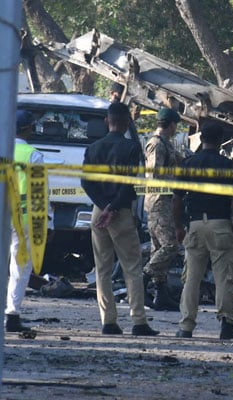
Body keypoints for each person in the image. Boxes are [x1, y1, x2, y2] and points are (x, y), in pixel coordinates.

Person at [81, 102, 159, 336]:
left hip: (98, 212)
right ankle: (138, 321)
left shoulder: (93, 148)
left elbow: (86, 182)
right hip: (121, 212)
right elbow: (130, 183)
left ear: (107, 121)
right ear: (127, 122)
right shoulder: (132, 147)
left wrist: (103, 207)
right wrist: (113, 208)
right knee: (132, 267)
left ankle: (108, 321)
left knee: (102, 268)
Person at [172, 123, 233, 339]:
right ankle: (226, 324)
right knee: (224, 277)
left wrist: (178, 227)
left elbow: (177, 199)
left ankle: (186, 326)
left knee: (192, 277)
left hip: (195, 225)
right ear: (221, 140)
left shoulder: (188, 164)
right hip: (220, 224)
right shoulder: (228, 165)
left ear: (201, 138)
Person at [5, 111, 44, 332]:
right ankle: (11, 314)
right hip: (24, 219)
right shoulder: (33, 155)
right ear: (29, 128)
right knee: (20, 267)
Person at [142, 108, 181, 311]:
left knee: (157, 248)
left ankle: (161, 293)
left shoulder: (166, 144)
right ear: (172, 124)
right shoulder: (156, 144)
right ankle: (143, 278)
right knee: (170, 246)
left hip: (163, 200)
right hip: (159, 201)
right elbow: (155, 175)